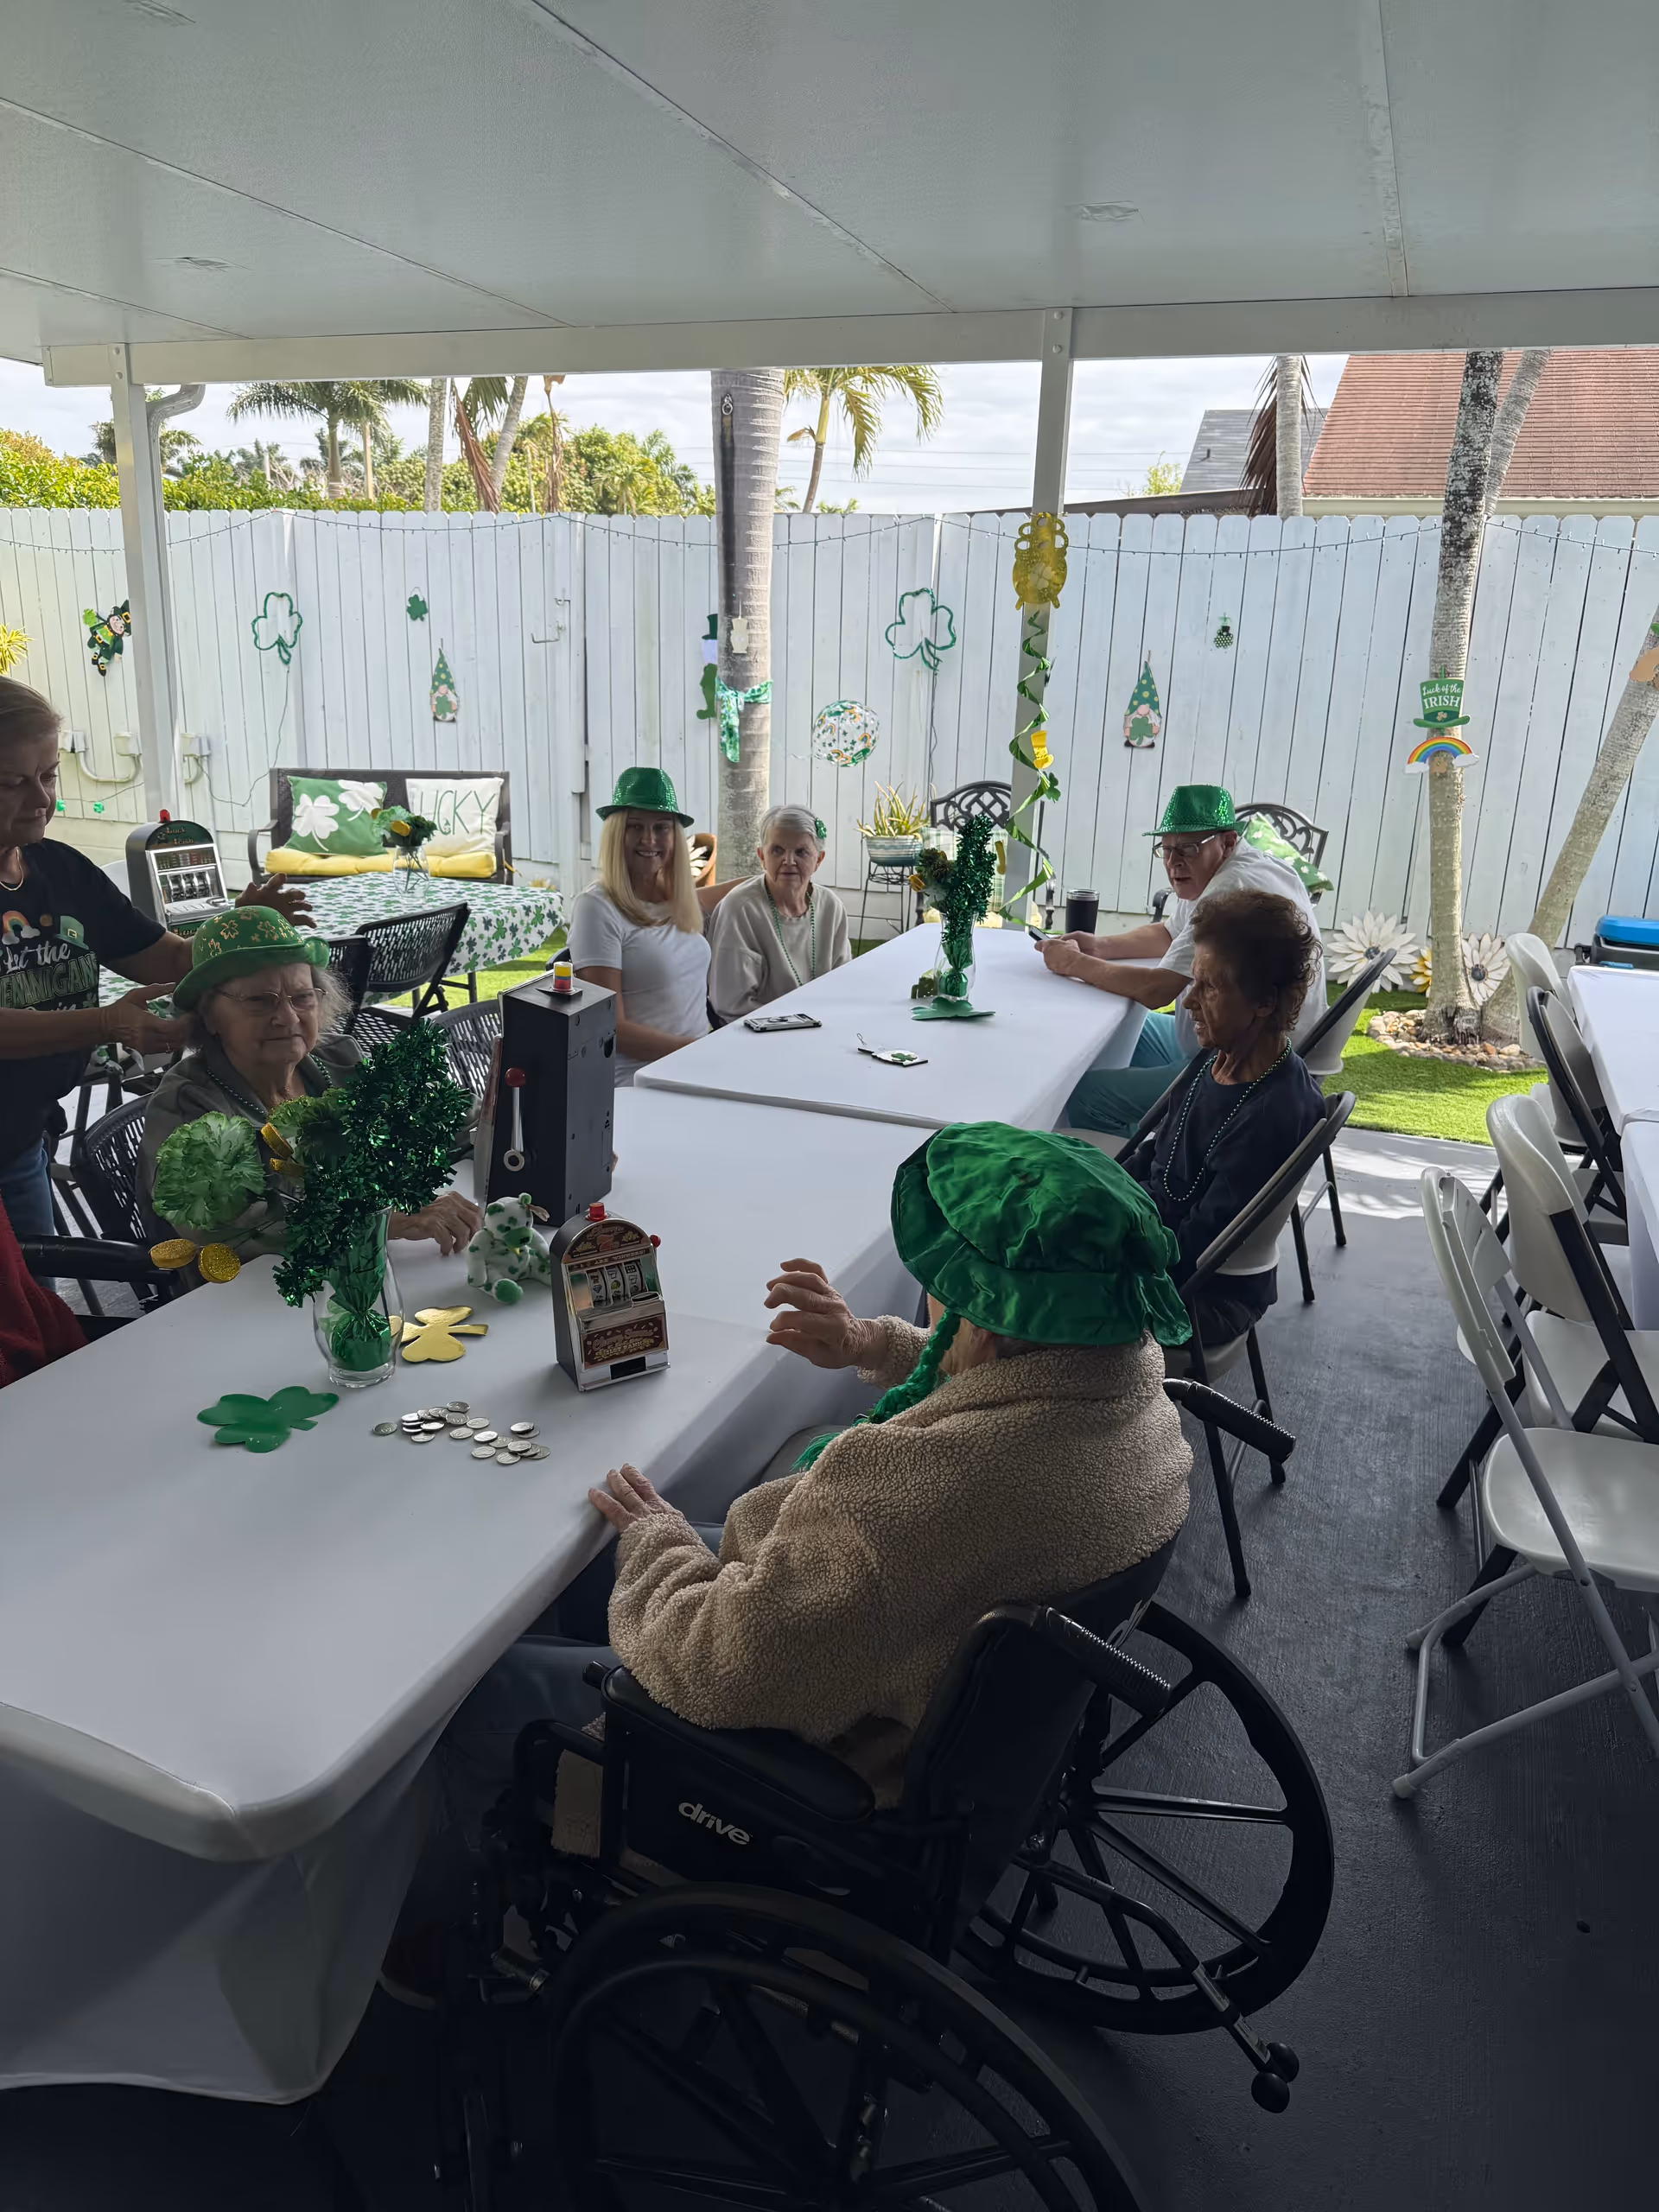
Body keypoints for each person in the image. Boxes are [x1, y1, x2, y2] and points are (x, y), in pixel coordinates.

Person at [445, 1121, 1192, 1823]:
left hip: (812, 1763)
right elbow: (1009, 1383)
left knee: (461, 1697)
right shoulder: (1130, 1391)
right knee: (587, 1567)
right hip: (948, 1701)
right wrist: (876, 1343)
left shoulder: (910, 1491)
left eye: (947, 1290)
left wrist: (658, 1547)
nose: (931, 1297)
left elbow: (721, 1663)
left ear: (985, 1314)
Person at [0, 674, 316, 1260]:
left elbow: (168, 957)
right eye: (12, 784)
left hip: (20, 1139)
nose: (41, 800)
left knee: (31, 1324)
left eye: (47, 776)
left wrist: (235, 928)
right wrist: (104, 1025)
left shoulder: (59, 871)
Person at [138, 906, 480, 1260]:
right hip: (253, 1295)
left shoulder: (339, 1060)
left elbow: (453, 1118)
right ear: (208, 1016)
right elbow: (227, 1228)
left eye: (302, 997)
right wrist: (381, 1220)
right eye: (259, 1001)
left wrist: (504, 1129)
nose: (288, 1017)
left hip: (366, 1265)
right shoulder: (190, 1105)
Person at [1036, 784, 1325, 1136]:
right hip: (1223, 1039)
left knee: (1087, 1097)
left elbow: (1158, 990)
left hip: (1247, 1067)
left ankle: (1144, 1174)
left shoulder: (1231, 888)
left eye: (1188, 848)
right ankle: (1161, 1141)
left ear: (1228, 842)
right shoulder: (1225, 870)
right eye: (1167, 849)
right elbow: (1172, 932)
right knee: (1110, 1035)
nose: (1174, 862)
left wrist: (1073, 964)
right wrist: (1098, 946)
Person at [1121, 889, 1325, 1345]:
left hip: (1203, 1297)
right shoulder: (1217, 1059)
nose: (1189, 1002)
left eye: (1210, 987)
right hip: (1161, 1244)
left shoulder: (1274, 1111)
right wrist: (1098, 1193)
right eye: (1194, 981)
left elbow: (1196, 1250)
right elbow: (1159, 1155)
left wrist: (1096, 1254)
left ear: (1265, 1002)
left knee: (1012, 1292)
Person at [565, 768, 737, 1085]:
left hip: (696, 1067)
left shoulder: (674, 899)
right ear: (617, 834)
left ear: (674, 836)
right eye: (635, 827)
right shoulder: (597, 907)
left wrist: (772, 877)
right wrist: (701, 1050)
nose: (649, 839)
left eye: (661, 827)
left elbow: (721, 895)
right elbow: (608, 1027)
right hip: (638, 1081)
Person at [706, 804, 850, 1020]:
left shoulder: (831, 906)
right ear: (761, 856)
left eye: (801, 852)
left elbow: (843, 983)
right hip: (753, 1032)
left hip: (821, 1024)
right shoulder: (740, 909)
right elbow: (731, 1004)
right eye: (777, 850)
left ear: (818, 860)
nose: (789, 861)